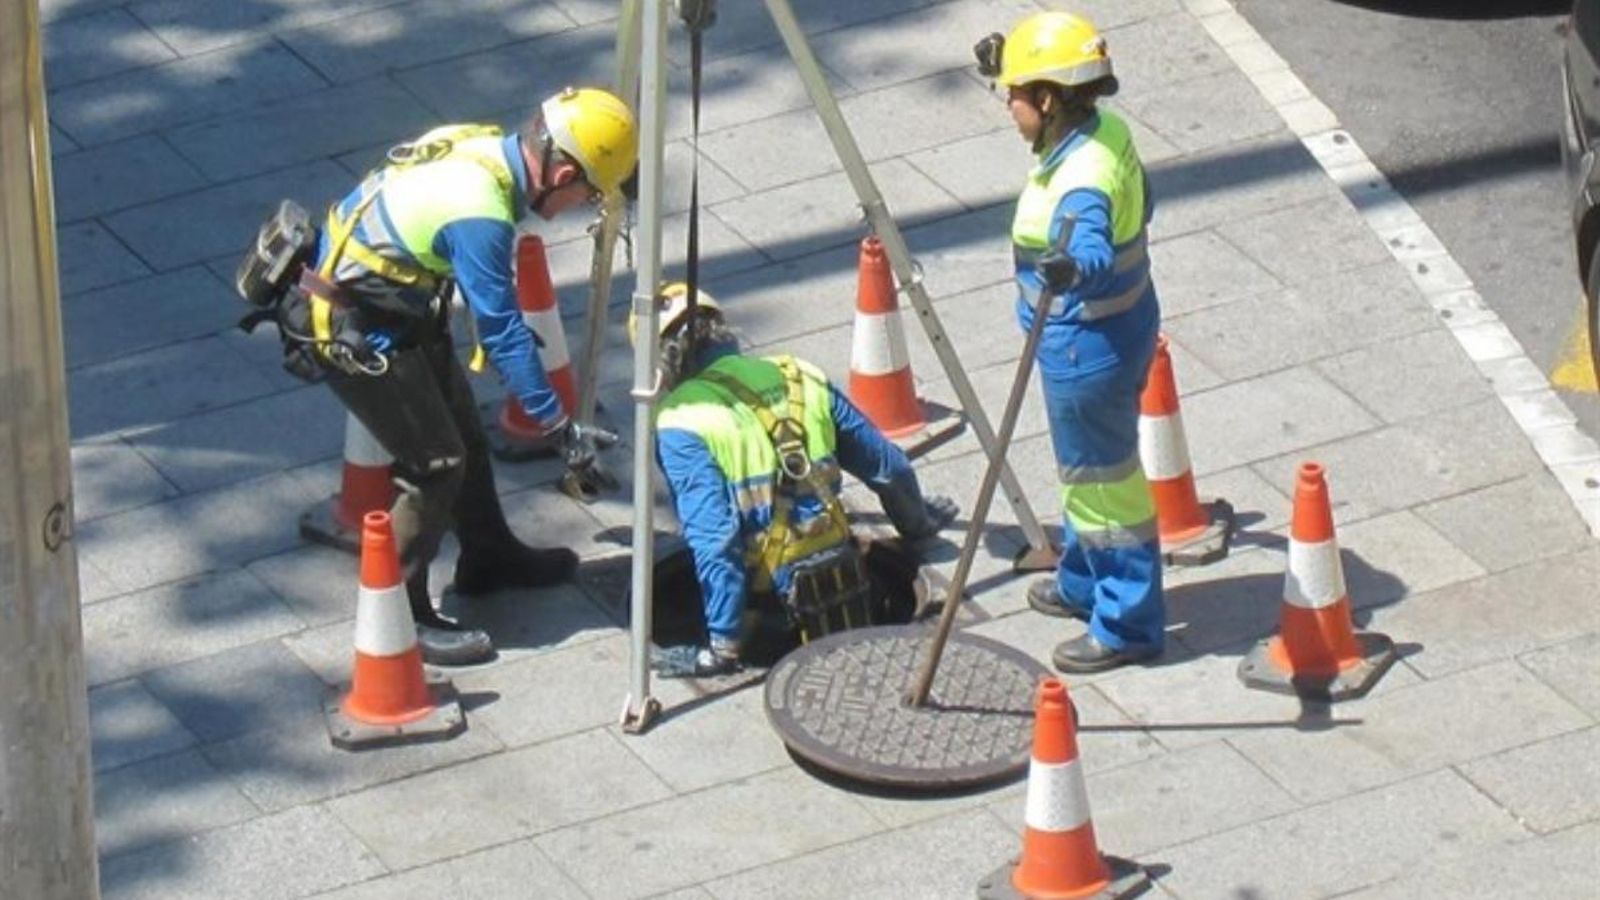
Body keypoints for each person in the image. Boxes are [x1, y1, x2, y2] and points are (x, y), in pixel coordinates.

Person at [239, 87, 637, 665]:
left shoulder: (477, 144)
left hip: (393, 307)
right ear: (564, 171)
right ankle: (399, 614)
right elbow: (500, 331)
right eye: (586, 194)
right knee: (435, 462)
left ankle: (489, 556)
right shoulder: (480, 215)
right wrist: (558, 425)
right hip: (354, 329)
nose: (579, 206)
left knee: (465, 438)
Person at [638, 284, 959, 678]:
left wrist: (720, 649)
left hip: (768, 605)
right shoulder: (798, 376)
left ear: (660, 364)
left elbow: (715, 541)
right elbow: (888, 466)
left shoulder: (682, 419)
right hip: (843, 578)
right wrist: (917, 525)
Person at [976, 12, 1165, 672]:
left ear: (1050, 100)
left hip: (1086, 348)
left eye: (1017, 94)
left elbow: (1087, 246)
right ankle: (1083, 579)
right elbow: (1145, 201)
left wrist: (1071, 269)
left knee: (1106, 488)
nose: (1009, 106)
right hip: (1124, 324)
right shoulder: (1106, 133)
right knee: (1085, 472)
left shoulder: (1079, 181)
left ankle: (1125, 622)